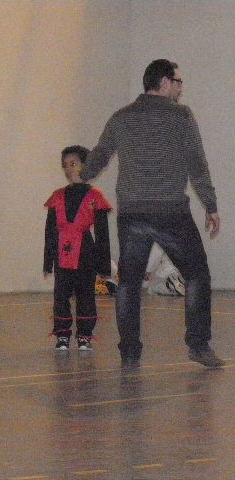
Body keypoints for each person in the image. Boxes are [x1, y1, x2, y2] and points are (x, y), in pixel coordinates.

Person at [81, 59, 223, 368]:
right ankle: (198, 346)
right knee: (197, 274)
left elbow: (99, 156)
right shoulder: (182, 116)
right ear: (164, 82)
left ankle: (130, 351)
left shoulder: (121, 117)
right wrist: (210, 206)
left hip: (132, 213)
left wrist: (83, 175)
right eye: (179, 81)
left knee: (130, 283)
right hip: (170, 211)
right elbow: (197, 164)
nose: (181, 88)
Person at [44, 145, 112, 351]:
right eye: (65, 165)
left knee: (85, 295)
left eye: (73, 164)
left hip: (86, 253)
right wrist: (47, 261)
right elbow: (50, 232)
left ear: (86, 165)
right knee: (61, 295)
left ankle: (85, 335)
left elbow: (102, 234)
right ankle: (62, 334)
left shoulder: (96, 196)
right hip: (62, 253)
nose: (68, 169)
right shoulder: (57, 196)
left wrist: (104, 265)